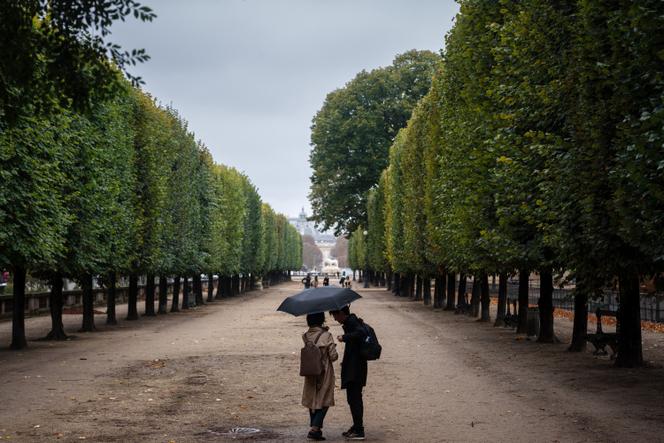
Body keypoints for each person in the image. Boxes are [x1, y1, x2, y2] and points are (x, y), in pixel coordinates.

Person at [329, 305, 368, 440]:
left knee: (354, 398)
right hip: (355, 366)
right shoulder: (350, 322)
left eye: (335, 315)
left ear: (340, 313)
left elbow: (361, 333)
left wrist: (344, 337)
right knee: (353, 398)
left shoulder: (352, 322)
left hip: (355, 368)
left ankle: (359, 430)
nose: (334, 318)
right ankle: (357, 426)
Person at [302, 312, 338, 441]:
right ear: (322, 319)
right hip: (324, 372)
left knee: (312, 399)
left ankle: (315, 428)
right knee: (324, 399)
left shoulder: (305, 336)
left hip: (310, 371)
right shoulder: (327, 336)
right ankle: (315, 429)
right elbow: (333, 357)